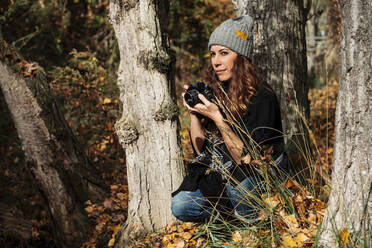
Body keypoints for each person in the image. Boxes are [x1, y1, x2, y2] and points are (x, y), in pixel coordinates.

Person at [171, 15, 292, 223]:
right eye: (213, 54)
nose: (216, 61)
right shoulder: (216, 92)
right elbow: (201, 152)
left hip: (260, 176)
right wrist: (194, 115)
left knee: (240, 190)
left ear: (241, 57)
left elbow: (246, 159)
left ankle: (257, 226)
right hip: (226, 175)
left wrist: (218, 118)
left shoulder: (263, 97)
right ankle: (234, 221)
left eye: (224, 53)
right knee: (181, 205)